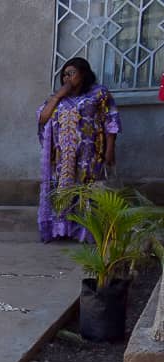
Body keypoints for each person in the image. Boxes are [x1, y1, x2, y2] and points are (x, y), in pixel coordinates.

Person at [37, 57, 121, 243]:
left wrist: (110, 149)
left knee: (87, 190)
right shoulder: (57, 98)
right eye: (65, 74)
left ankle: (88, 232)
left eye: (72, 73)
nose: (68, 78)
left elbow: (111, 121)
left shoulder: (99, 94)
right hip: (62, 158)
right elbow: (42, 119)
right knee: (64, 190)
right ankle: (63, 230)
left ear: (83, 74)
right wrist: (59, 95)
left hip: (89, 155)